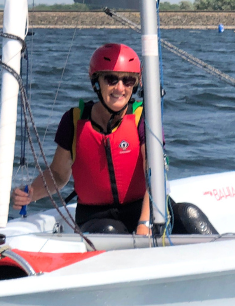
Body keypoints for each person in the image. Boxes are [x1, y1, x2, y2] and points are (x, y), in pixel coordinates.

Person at [11, 43, 151, 235]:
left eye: (127, 81)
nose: (120, 88)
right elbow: (59, 175)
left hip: (142, 209)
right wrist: (30, 193)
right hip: (96, 217)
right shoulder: (74, 120)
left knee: (188, 216)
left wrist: (145, 223)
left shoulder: (143, 118)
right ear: (96, 82)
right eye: (111, 79)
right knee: (110, 232)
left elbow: (155, 175)